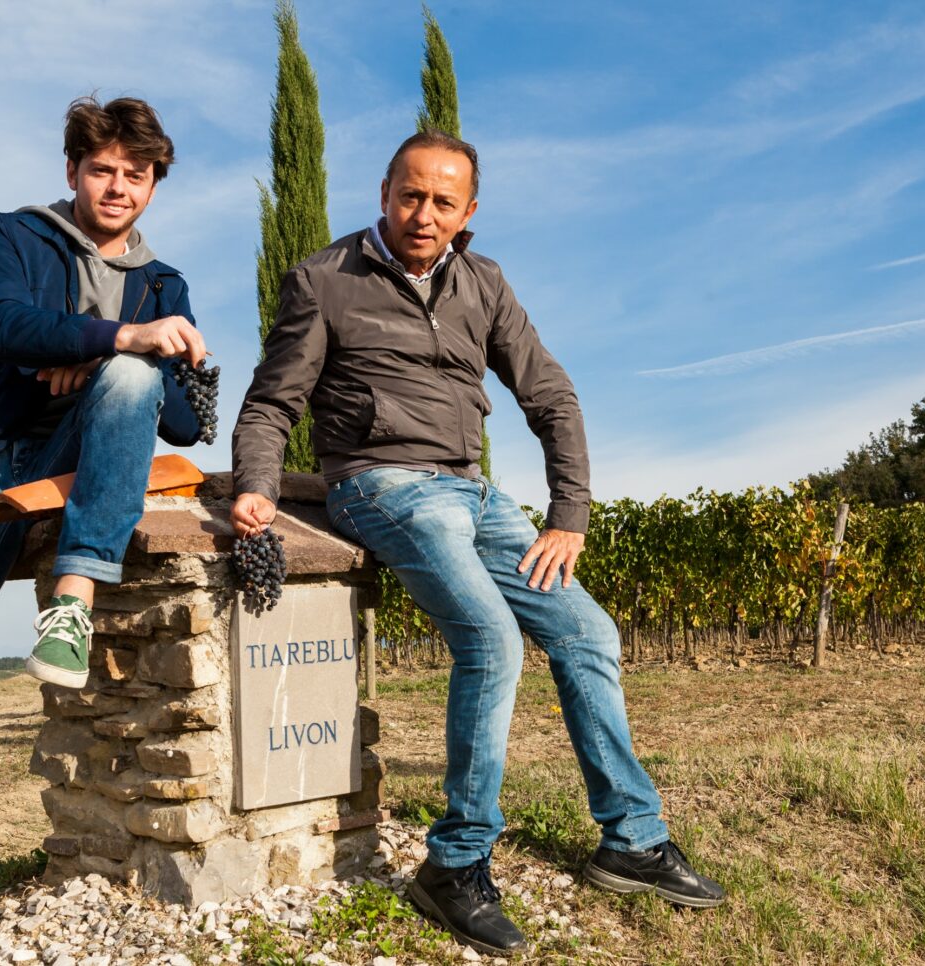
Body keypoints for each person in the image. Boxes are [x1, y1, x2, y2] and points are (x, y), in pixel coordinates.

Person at [230, 130, 724, 955]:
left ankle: (632, 840)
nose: (424, 215)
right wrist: (256, 483)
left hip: (477, 496)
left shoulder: (482, 282)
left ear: (469, 213)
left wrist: (570, 513)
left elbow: (552, 397)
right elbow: (272, 403)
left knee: (588, 633)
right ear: (385, 192)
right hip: (379, 486)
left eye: (443, 203)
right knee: (492, 640)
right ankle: (455, 865)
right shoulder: (324, 280)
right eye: (410, 195)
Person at [0, 95, 206, 941]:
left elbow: (180, 421)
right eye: (102, 169)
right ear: (72, 170)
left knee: (133, 381)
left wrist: (112, 360)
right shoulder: (7, 235)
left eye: (136, 176)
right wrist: (108, 340)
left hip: (78, 457)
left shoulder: (164, 282)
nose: (118, 188)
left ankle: (74, 598)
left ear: (154, 185)